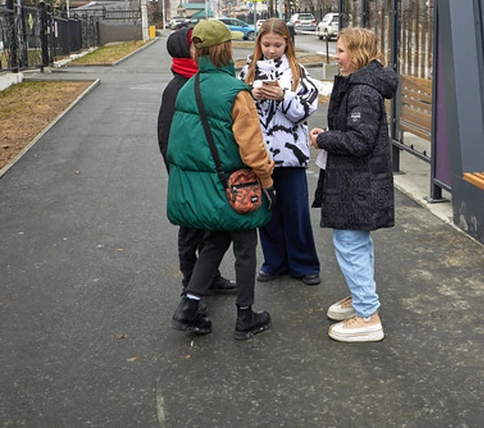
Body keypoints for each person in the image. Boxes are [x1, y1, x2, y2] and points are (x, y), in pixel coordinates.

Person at [166, 19, 275, 340]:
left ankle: (188, 307)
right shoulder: (236, 93)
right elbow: (253, 151)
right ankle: (245, 317)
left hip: (205, 189)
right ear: (227, 48)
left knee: (214, 242)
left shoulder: (188, 87)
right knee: (245, 248)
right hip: (236, 187)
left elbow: (179, 145)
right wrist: (267, 182)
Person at [309, 27, 398, 343]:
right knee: (356, 242)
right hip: (356, 181)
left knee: (350, 244)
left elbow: (360, 141)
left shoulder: (362, 90)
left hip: (356, 183)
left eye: (342, 50)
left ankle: (367, 315)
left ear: (358, 53)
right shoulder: (362, 85)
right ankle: (361, 299)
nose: (337, 55)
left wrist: (324, 139)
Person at [239, 18, 321, 285]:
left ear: (287, 43)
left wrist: (283, 97)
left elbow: (304, 111)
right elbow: (236, 109)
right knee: (267, 212)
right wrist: (253, 95)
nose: (272, 50)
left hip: (292, 155)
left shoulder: (298, 73)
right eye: (266, 45)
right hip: (260, 157)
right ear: (259, 43)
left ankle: (304, 263)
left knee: (296, 211)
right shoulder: (246, 73)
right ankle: (274, 262)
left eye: (277, 44)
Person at [156, 27, 236, 298]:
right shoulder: (178, 88)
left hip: (205, 172)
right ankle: (191, 286)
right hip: (189, 175)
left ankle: (210, 278)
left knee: (209, 228)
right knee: (191, 230)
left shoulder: (199, 82)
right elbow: (167, 139)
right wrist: (179, 176)